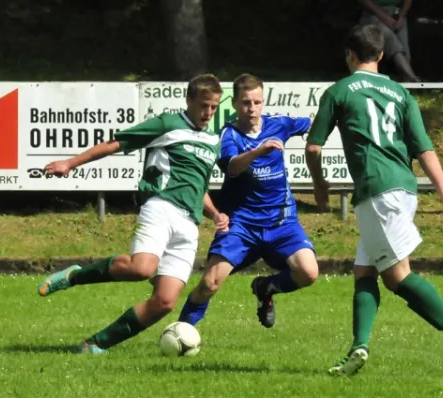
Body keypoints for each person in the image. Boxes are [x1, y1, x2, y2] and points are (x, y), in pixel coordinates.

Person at [305, 25, 443, 376]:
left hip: (377, 191)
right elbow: (425, 150)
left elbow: (313, 147)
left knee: (398, 277)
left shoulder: (339, 91)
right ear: (382, 55)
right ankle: (358, 348)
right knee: (364, 271)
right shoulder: (400, 92)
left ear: (349, 55)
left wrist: (320, 184)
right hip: (403, 187)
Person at [36, 74, 230, 353]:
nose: (208, 113)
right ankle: (75, 275)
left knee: (165, 302)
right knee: (142, 268)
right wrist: (71, 162)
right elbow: (117, 143)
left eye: (213, 107)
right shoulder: (167, 124)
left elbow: (197, 185)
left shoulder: (213, 141)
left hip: (189, 224)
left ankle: (95, 345)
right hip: (161, 207)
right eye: (203, 105)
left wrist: (214, 214)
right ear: (188, 100)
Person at [178, 73, 320, 329]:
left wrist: (344, 112)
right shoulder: (229, 134)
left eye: (256, 102)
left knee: (309, 273)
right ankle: (181, 331)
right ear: (234, 103)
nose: (251, 108)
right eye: (245, 102)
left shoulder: (280, 123)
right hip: (241, 225)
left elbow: (313, 122)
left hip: (281, 221)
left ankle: (265, 288)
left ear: (263, 102)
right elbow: (231, 167)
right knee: (209, 283)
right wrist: (257, 151)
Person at [359, 0, 420, 82]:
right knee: (391, 40)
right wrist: (384, 16)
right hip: (373, 15)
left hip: (397, 14)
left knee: (404, 47)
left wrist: (401, 16)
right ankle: (411, 75)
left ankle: (407, 83)